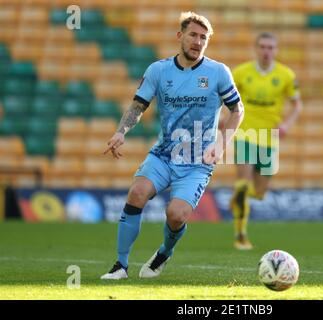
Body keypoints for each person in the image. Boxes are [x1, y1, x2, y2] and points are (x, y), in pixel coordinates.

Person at [100, 12, 244, 280]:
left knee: (176, 215)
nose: (198, 41)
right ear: (180, 36)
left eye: (204, 37)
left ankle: (164, 252)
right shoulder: (158, 70)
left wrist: (221, 144)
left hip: (197, 161)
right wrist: (121, 132)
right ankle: (120, 265)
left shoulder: (218, 72)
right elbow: (138, 106)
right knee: (136, 193)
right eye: (193, 35)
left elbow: (237, 110)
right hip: (164, 154)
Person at [228, 32, 302, 250]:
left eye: (270, 47)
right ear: (256, 49)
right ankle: (240, 234)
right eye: (262, 46)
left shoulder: (286, 75)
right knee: (243, 182)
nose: (266, 51)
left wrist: (287, 124)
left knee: (259, 193)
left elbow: (297, 105)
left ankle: (238, 199)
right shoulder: (241, 72)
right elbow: (226, 97)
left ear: (276, 50)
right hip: (245, 133)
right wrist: (227, 118)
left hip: (269, 138)